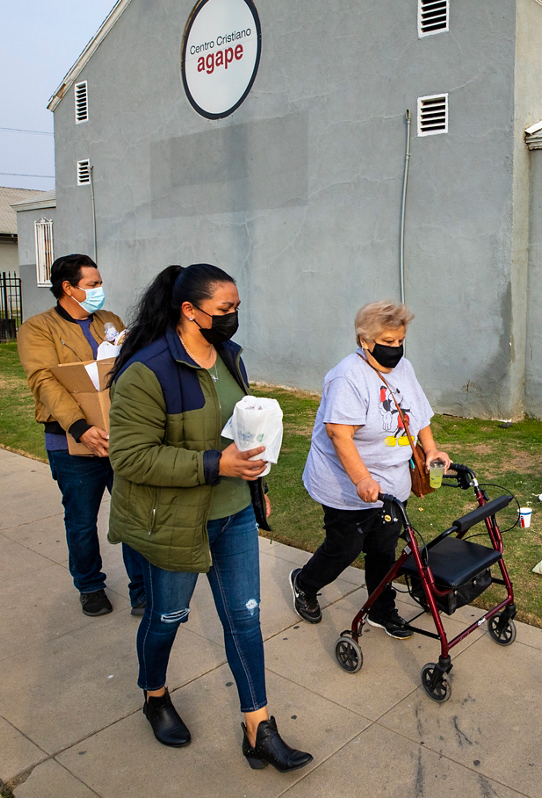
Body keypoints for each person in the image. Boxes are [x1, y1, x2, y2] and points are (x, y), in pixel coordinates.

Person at [107, 264, 311, 772]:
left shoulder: (229, 356)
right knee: (166, 617)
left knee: (245, 618)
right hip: (176, 520)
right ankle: (155, 695)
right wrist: (215, 464)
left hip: (233, 513)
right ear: (189, 309)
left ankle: (258, 727)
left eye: (237, 307)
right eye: (224, 309)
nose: (233, 316)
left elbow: (243, 430)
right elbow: (130, 457)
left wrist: (256, 486)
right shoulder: (147, 371)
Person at [291, 301, 451, 638]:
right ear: (364, 340)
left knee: (383, 549)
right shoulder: (347, 376)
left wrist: (432, 449)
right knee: (344, 548)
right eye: (388, 341)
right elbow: (339, 434)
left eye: (400, 341)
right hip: (345, 483)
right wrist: (362, 478)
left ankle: (381, 610)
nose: (396, 348)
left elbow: (418, 414)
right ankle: (305, 583)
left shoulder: (403, 368)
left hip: (391, 482)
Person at [17, 254, 145, 617]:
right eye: (92, 284)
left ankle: (141, 589)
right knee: (82, 521)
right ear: (68, 288)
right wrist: (80, 428)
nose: (99, 289)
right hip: (71, 441)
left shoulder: (109, 320)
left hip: (120, 437)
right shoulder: (38, 329)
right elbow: (44, 381)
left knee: (134, 517)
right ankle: (90, 586)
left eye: (99, 282)